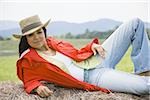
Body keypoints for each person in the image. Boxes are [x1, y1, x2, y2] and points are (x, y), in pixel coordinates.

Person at [13, 15, 150, 97]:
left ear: (44, 31)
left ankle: (143, 70)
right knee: (145, 87)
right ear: (25, 39)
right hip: (93, 77)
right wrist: (37, 87)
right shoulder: (29, 60)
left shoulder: (53, 42)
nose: (36, 37)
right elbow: (28, 80)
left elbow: (76, 53)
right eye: (31, 35)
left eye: (39, 32)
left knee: (135, 23)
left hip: (97, 58)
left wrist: (92, 47)